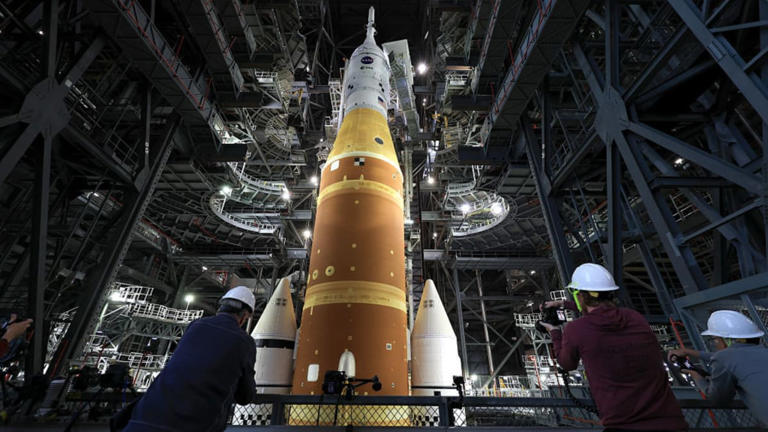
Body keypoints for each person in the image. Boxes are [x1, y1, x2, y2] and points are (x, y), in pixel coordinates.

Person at [538, 263, 687, 432]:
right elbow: (601, 312)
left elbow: (567, 363)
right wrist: (562, 304)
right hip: (671, 421)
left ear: (580, 297)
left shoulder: (577, 329)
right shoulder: (635, 318)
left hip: (623, 423)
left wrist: (555, 332)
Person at [123, 286, 257, 432]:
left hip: (145, 416)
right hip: (196, 423)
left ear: (222, 306)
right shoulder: (244, 342)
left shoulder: (195, 325)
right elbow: (245, 395)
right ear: (244, 315)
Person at [668, 310, 768, 426]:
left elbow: (717, 399)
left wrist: (697, 377)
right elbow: (734, 358)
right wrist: (690, 352)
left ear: (726, 340)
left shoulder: (724, 357)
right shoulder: (763, 352)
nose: (715, 344)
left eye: (714, 339)